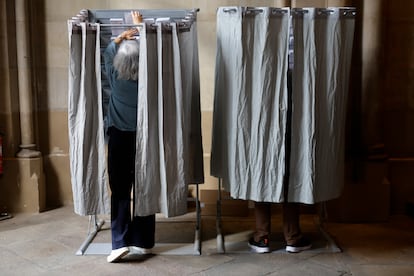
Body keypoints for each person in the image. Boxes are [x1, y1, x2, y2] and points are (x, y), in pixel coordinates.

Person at [103, 11, 155, 263]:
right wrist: (141, 29)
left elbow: (108, 53)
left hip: (119, 139)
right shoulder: (149, 80)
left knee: (120, 190)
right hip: (144, 139)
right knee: (145, 187)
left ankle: (119, 243)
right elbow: (153, 56)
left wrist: (121, 36)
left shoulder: (114, 78)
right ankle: (143, 241)